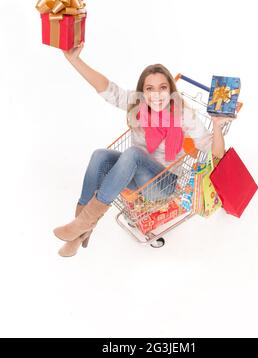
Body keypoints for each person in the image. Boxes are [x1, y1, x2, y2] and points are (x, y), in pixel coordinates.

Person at [53, 41, 232, 256]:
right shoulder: (137, 105)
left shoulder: (184, 115)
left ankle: (81, 225)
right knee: (100, 155)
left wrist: (217, 125)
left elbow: (216, 153)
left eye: (162, 88)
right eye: (150, 88)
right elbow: (105, 87)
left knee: (134, 154)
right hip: (135, 173)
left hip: (163, 186)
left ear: (170, 90)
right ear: (142, 92)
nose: (156, 94)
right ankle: (80, 228)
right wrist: (75, 60)